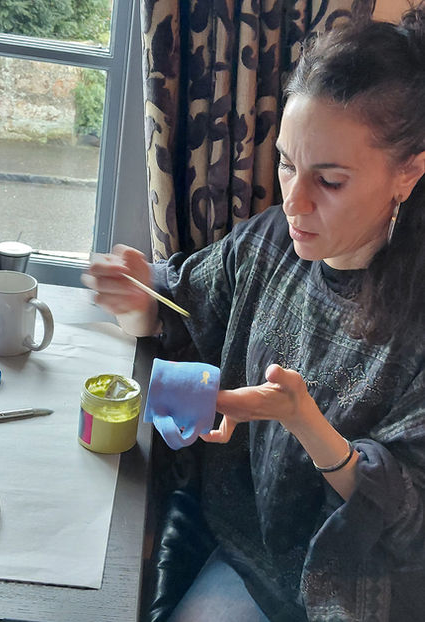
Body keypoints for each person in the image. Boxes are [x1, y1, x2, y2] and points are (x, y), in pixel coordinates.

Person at [82, 5, 425, 621]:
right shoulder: (270, 243)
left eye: (330, 181)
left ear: (409, 173)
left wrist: (306, 423)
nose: (294, 202)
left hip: (353, 589)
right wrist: (137, 297)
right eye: (288, 164)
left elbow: (411, 516)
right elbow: (180, 306)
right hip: (249, 551)